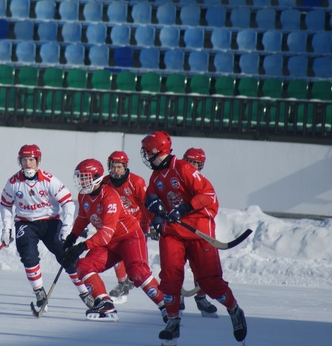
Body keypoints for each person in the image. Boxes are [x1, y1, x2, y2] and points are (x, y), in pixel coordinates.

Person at [141, 131, 247, 344]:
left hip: (198, 229)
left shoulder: (182, 168)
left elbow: (208, 195)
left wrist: (184, 209)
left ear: (156, 151)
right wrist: (155, 215)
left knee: (210, 283)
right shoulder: (155, 176)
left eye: (147, 152)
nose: (144, 156)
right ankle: (172, 322)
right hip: (173, 233)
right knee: (170, 279)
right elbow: (151, 200)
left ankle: (234, 310)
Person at [62, 158, 165, 322]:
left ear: (96, 178)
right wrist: (71, 239)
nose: (81, 181)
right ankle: (105, 304)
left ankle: (167, 306)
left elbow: (105, 234)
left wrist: (81, 247)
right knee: (83, 265)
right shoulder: (84, 196)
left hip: (128, 237)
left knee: (137, 272)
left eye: (84, 177)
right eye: (80, 177)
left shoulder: (109, 196)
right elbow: (82, 218)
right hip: (109, 243)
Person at [0, 144, 93, 314]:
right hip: (25, 222)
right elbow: (5, 205)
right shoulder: (13, 183)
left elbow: (68, 203)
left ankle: (84, 292)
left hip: (50, 222)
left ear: (38, 161)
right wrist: (6, 229)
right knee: (28, 255)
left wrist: (66, 227)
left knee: (66, 255)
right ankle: (40, 293)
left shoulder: (49, 181)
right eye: (24, 160)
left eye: (31, 160)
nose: (28, 163)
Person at [101, 151, 152, 303]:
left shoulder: (136, 182)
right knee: (117, 253)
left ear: (125, 167)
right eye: (113, 167)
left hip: (137, 224)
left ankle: (145, 284)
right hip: (117, 225)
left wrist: (152, 223)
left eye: (119, 167)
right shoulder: (105, 182)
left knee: (134, 258)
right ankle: (122, 283)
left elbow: (146, 204)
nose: (116, 170)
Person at [181, 147, 218, 318]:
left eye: (197, 163)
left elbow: (211, 206)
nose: (193, 166)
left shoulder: (202, 183)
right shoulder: (176, 181)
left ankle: (201, 297)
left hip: (197, 231)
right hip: (178, 231)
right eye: (190, 162)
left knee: (201, 267)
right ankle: (176, 295)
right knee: (174, 266)